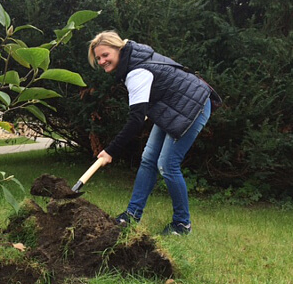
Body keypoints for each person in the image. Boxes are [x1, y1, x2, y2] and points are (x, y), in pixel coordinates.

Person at [88, 31, 213, 235]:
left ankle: (182, 224)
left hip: (192, 106)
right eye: (98, 58)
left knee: (167, 164)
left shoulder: (136, 71)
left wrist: (110, 151)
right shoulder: (134, 59)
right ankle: (132, 214)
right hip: (172, 107)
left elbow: (136, 120)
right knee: (148, 159)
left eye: (105, 55)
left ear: (119, 49)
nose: (102, 61)